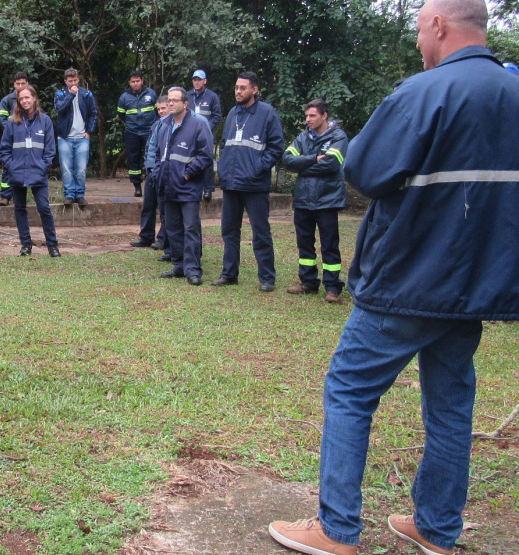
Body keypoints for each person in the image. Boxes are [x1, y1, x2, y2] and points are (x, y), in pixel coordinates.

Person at [268, 1, 519, 554]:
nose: (416, 42)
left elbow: (364, 169)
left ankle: (336, 529)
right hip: (474, 288)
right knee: (451, 404)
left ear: (438, 25)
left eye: (418, 29)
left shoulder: (423, 92)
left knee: (350, 388)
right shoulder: (513, 93)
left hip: (408, 280)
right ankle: (437, 527)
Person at [213, 71, 284, 292]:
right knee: (229, 231)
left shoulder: (267, 113)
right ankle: (229, 274)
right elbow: (225, 144)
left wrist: (258, 167)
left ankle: (267, 278)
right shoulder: (233, 113)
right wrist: (223, 169)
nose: (238, 91)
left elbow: (276, 146)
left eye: (243, 87)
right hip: (231, 183)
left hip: (254, 184)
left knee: (260, 231)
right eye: (236, 87)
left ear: (255, 89)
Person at [282, 99, 348, 303]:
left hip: (327, 199)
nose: (308, 120)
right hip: (303, 199)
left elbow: (330, 164)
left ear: (324, 116)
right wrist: (313, 159)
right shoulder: (303, 137)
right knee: (304, 244)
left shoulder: (338, 136)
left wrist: (304, 164)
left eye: (312, 116)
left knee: (329, 244)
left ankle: (332, 287)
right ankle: (308, 282)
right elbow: (287, 160)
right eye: (306, 116)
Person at [151, 87, 213, 286]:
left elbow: (205, 155)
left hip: (188, 187)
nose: (170, 104)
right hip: (167, 186)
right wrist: (157, 174)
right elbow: (160, 154)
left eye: (175, 100)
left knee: (190, 229)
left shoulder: (197, 125)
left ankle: (193, 269)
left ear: (185, 104)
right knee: (173, 228)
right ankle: (178, 265)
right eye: (169, 100)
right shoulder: (164, 126)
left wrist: (187, 174)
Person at [0, 85, 61, 257]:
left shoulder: (45, 121)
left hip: (37, 173)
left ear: (34, 98)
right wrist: (11, 166)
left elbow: (50, 150)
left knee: (44, 208)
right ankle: (26, 244)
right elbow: (4, 149)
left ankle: (52, 245)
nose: (25, 101)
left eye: (28, 97)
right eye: (21, 98)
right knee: (20, 209)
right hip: (17, 173)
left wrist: (43, 166)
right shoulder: (12, 122)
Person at [131, 97, 170, 254]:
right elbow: (149, 148)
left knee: (164, 207)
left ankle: (163, 238)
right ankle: (146, 236)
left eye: (163, 108)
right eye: (159, 109)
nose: (161, 111)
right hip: (151, 171)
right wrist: (148, 167)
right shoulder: (156, 125)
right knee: (148, 205)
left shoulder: (172, 125)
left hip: (163, 172)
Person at [54, 68, 98, 206]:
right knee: (66, 168)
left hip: (82, 137)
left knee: (81, 169)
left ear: (78, 79)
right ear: (65, 81)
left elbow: (93, 113)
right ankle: (69, 195)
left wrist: (89, 131)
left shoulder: (86, 94)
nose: (73, 83)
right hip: (65, 137)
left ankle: (79, 195)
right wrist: (71, 95)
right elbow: (59, 109)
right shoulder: (60, 94)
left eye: (75, 80)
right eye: (70, 81)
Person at [117, 71, 157, 197]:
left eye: (138, 81)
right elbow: (121, 115)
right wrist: (132, 124)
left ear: (142, 81)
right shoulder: (124, 98)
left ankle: (151, 184)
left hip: (149, 131)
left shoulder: (151, 94)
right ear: (129, 83)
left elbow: (158, 111)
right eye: (133, 82)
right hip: (132, 132)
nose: (135, 84)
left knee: (151, 156)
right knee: (133, 159)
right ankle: (137, 186)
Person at [187, 69, 222, 201]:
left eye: (199, 80)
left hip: (206, 134)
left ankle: (208, 189)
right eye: (194, 80)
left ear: (205, 81)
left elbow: (217, 115)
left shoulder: (212, 96)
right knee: (191, 159)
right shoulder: (188, 96)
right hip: (190, 133)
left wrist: (206, 127)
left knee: (206, 159)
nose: (196, 82)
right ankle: (192, 185)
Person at [0, 71, 30, 206]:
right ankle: (5, 195)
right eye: (18, 84)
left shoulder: (30, 99)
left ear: (27, 84)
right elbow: (1, 118)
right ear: (14, 84)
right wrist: (12, 131)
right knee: (8, 166)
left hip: (26, 141)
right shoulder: (7, 100)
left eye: (23, 83)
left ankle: (20, 196)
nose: (20, 86)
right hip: (10, 140)